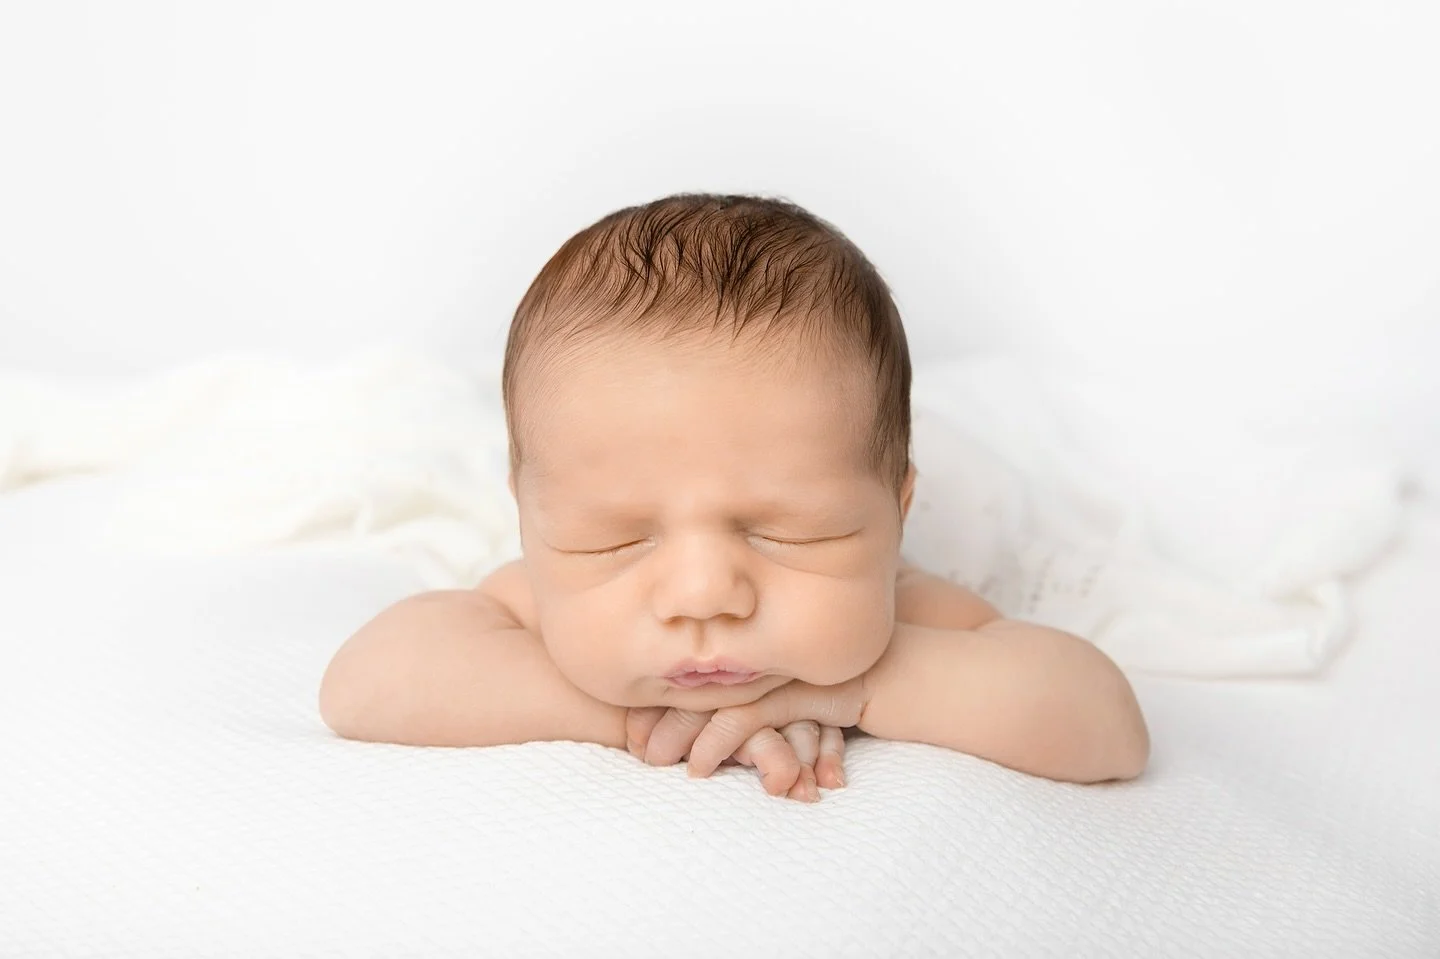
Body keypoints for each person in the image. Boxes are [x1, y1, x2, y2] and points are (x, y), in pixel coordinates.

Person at [319, 193, 1149, 802]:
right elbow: (362, 685)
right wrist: (626, 712)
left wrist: (851, 691)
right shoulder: (534, 604)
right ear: (532, 522)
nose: (703, 592)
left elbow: (1106, 726)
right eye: (612, 538)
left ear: (897, 511)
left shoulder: (911, 609)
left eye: (793, 532)